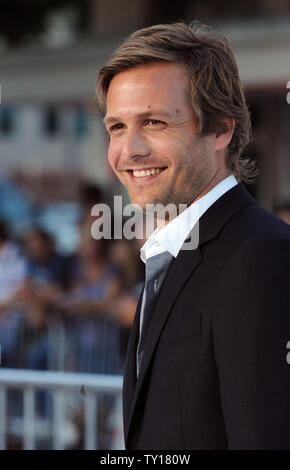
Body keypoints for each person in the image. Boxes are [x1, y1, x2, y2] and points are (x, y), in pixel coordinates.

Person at [96, 21, 290, 449]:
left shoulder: (261, 257)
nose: (129, 152)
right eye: (116, 127)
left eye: (154, 122)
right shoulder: (169, 253)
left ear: (221, 129)